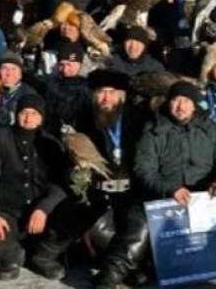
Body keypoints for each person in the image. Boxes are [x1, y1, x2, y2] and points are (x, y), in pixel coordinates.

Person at [33, 69, 148, 281]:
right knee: (78, 207)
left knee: (135, 223)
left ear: (122, 95)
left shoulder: (139, 119)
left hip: (130, 189)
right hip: (95, 188)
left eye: (112, 92)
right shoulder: (83, 119)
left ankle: (124, 266)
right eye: (101, 92)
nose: (106, 98)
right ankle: (45, 254)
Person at [121, 82, 216, 289]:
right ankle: (108, 278)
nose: (180, 106)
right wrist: (170, 188)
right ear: (168, 103)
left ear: (194, 106)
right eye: (176, 100)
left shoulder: (208, 128)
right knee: (134, 238)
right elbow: (143, 169)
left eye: (186, 101)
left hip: (201, 197)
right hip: (162, 195)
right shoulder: (153, 128)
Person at [0, 94, 69, 280]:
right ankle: (12, 256)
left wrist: (43, 208)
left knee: (74, 213)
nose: (28, 118)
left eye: (34, 114)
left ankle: (43, 257)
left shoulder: (51, 143)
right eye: (24, 112)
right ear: (16, 114)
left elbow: (61, 182)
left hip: (41, 213)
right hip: (8, 210)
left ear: (42, 117)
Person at [40, 42, 93, 135]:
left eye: (69, 65)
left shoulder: (90, 87)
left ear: (79, 64)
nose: (65, 69)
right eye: (61, 64)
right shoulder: (51, 84)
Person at [0, 52, 39, 129]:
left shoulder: (29, 95)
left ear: (20, 74)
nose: (9, 73)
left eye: (14, 69)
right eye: (5, 68)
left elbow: (27, 123)